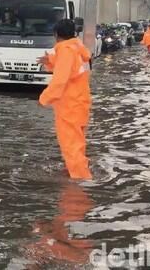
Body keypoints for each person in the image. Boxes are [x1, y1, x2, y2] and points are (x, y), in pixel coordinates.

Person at [37, 19, 92, 180]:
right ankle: (78, 172)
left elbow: (60, 79)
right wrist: (51, 61)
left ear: (56, 35)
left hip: (70, 107)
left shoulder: (66, 51)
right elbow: (72, 69)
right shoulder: (77, 48)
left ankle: (80, 183)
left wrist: (44, 99)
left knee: (71, 147)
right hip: (80, 103)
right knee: (77, 144)